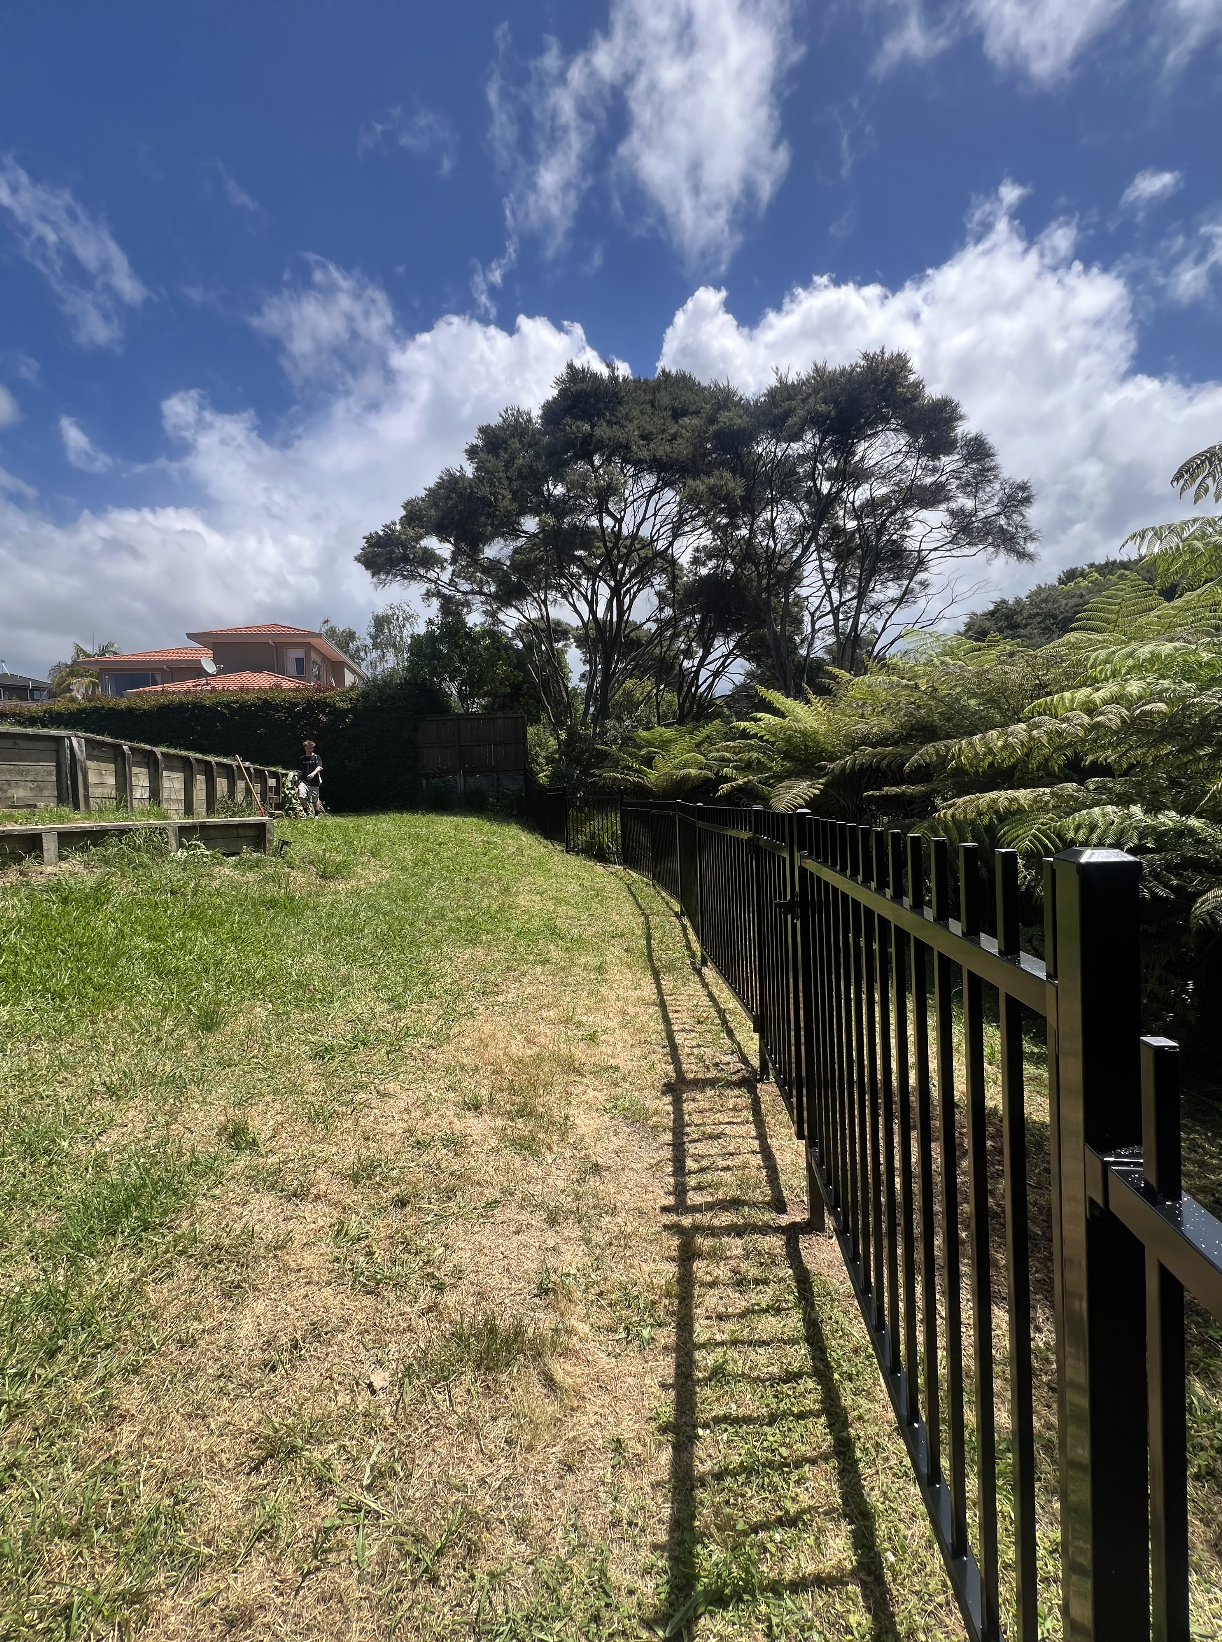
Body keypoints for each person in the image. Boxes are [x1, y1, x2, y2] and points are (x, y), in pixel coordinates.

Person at [300, 740, 324, 816]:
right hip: (304, 781)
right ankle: (306, 812)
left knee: (315, 799)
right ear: (305, 748)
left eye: (311, 748)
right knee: (301, 796)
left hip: (315, 781)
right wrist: (297, 780)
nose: (310, 750)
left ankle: (316, 815)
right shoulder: (302, 759)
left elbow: (319, 767)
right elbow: (300, 771)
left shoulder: (316, 757)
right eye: (308, 748)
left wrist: (313, 774)